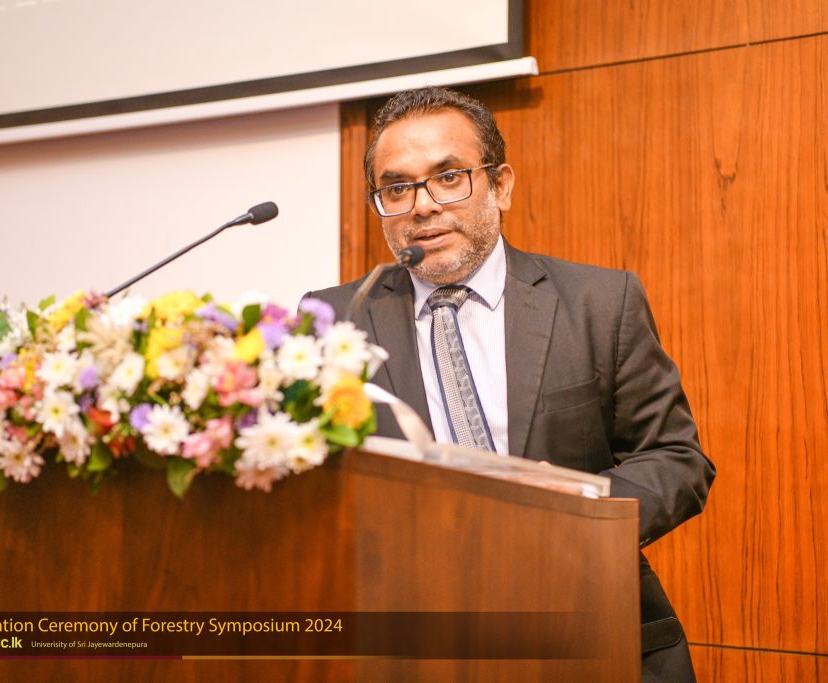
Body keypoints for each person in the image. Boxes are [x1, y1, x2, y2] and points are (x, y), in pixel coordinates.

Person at [306, 86, 715, 681]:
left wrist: (580, 506)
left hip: (585, 623)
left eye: (449, 178)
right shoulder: (335, 320)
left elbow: (678, 459)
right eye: (397, 189)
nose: (423, 206)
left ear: (500, 186)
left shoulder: (598, 302)